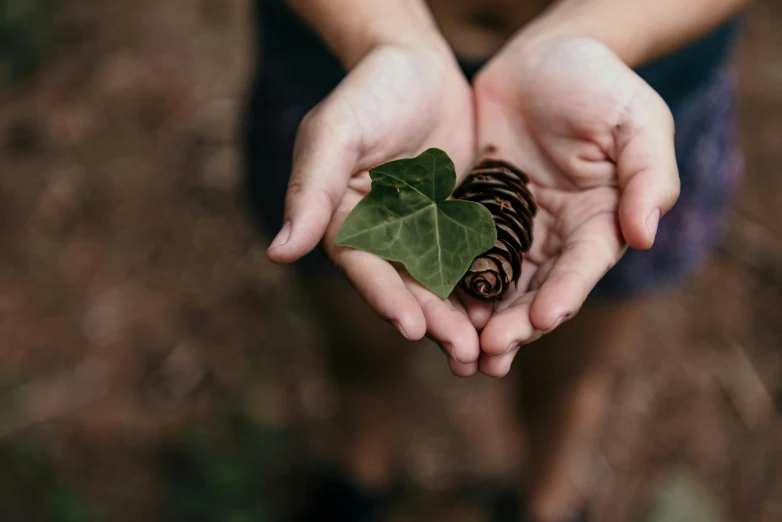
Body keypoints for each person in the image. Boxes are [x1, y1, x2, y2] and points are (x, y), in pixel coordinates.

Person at [242, 0, 751, 520]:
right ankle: (362, 472)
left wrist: (597, 34)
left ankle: (546, 500)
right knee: (359, 350)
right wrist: (381, 34)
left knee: (572, 373)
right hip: (347, 64)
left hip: (617, 93)